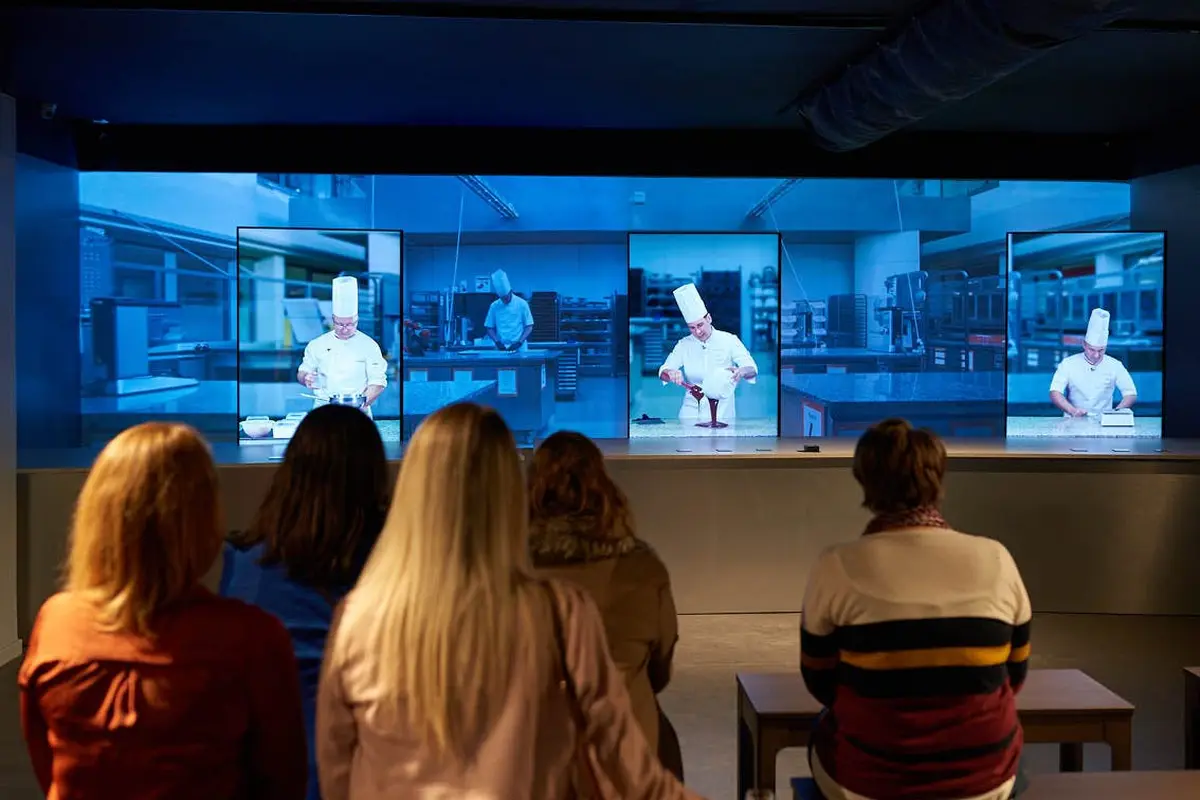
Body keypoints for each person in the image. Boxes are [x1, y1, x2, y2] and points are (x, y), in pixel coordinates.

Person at [316, 403, 703, 800]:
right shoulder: (561, 613)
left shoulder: (356, 619)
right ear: (510, 492)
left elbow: (336, 774)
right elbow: (635, 775)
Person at [19, 423, 307, 800]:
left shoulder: (56, 622)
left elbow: (50, 770)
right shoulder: (251, 638)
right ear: (201, 520)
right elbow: (283, 780)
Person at [801, 418, 1032, 800]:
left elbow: (821, 682)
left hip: (869, 785)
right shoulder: (997, 558)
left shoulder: (836, 564)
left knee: (821, 730)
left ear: (865, 482)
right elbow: (1014, 676)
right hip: (984, 782)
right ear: (938, 479)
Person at [221, 404, 390, 800]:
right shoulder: (390, 561)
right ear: (372, 479)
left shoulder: (245, 563)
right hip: (363, 773)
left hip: (261, 776)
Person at [527, 430, 684, 780]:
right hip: (628, 764)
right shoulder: (642, 569)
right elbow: (660, 670)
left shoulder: (502, 573)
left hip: (531, 761)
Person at [658, 282, 758, 424]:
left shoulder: (729, 340)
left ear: (709, 319)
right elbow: (663, 371)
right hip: (690, 414)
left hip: (722, 415)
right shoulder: (684, 344)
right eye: (692, 328)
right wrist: (670, 372)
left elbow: (751, 369)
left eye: (700, 325)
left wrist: (741, 371)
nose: (697, 332)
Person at [298, 275, 388, 415]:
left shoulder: (369, 345)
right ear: (333, 319)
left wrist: (359, 404)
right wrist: (306, 378)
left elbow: (378, 382)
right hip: (323, 409)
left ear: (357, 320)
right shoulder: (317, 344)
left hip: (358, 410)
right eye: (340, 324)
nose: (345, 328)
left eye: (350, 324)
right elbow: (302, 372)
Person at [1049, 307, 1137, 418]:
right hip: (1072, 421)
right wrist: (1072, 411)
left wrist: (1116, 413)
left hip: (1104, 421)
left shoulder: (1115, 365)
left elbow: (1130, 393)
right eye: (1092, 350)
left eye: (1101, 350)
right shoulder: (1068, 364)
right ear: (1084, 345)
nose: (1096, 355)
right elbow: (1055, 392)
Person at [485, 268, 534, 352]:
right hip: (501, 347)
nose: (505, 300)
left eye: (506, 298)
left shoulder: (522, 304)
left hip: (519, 348)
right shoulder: (494, 306)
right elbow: (489, 327)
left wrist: (519, 342)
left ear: (511, 291)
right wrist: (497, 342)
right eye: (502, 298)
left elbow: (529, 326)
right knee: (501, 365)